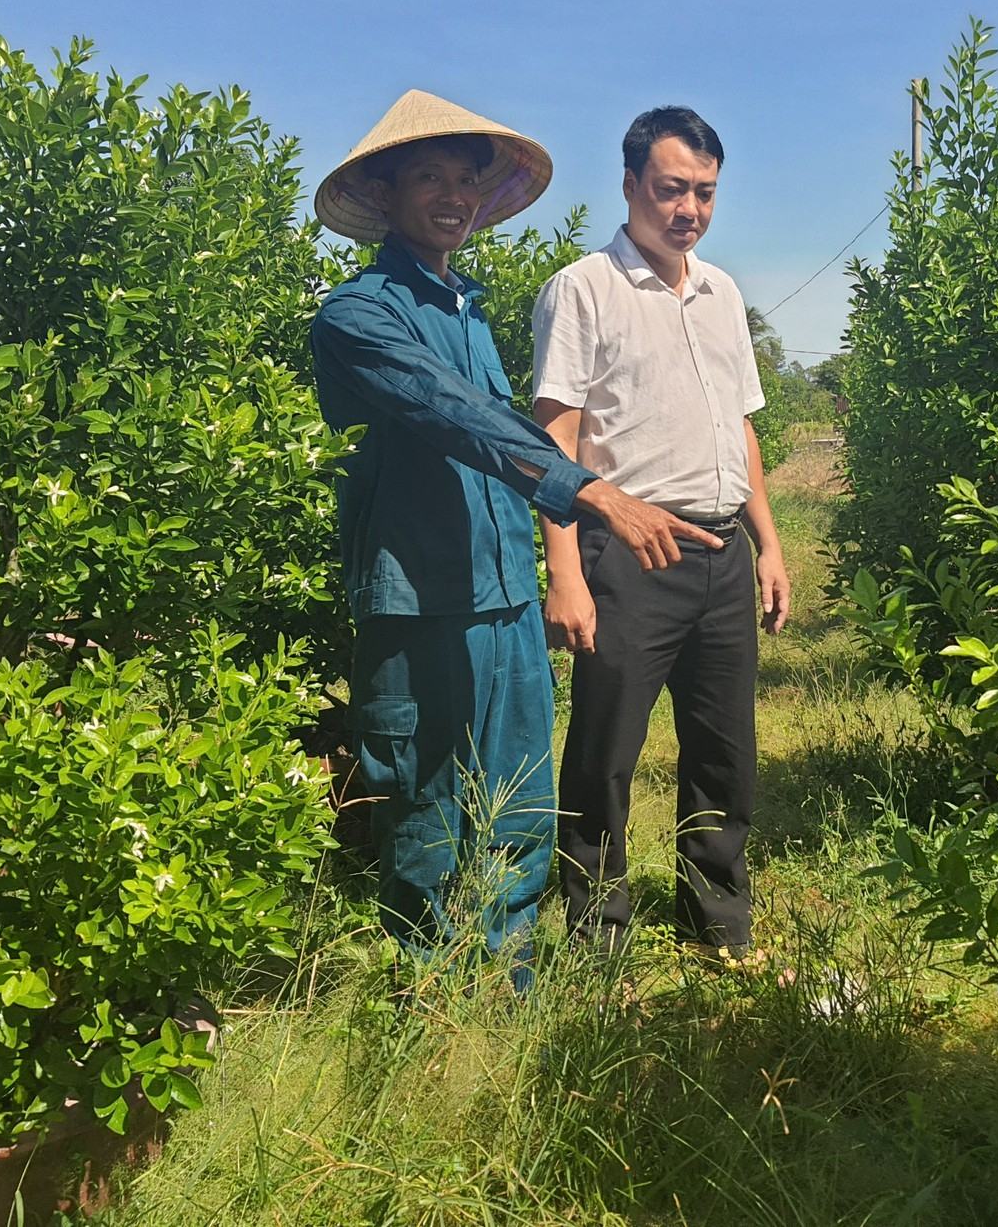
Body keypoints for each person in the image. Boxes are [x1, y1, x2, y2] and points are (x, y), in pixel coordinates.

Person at [309, 90, 722, 992]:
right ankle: (425, 995)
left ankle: (511, 989)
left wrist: (547, 567)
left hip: (502, 596)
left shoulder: (467, 307)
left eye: (466, 179)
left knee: (521, 800)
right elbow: (458, 417)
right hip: (417, 599)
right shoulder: (356, 314)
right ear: (385, 193)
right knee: (423, 797)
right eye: (430, 176)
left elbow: (500, 425)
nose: (453, 195)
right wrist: (595, 494)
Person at [531, 105, 789, 961]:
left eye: (706, 193)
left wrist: (771, 545)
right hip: (629, 555)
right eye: (674, 188)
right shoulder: (583, 288)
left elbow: (739, 428)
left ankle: (716, 924)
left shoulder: (721, 294)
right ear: (632, 183)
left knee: (724, 751)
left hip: (723, 551)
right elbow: (555, 440)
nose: (690, 209)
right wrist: (563, 570)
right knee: (605, 752)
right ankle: (596, 939)